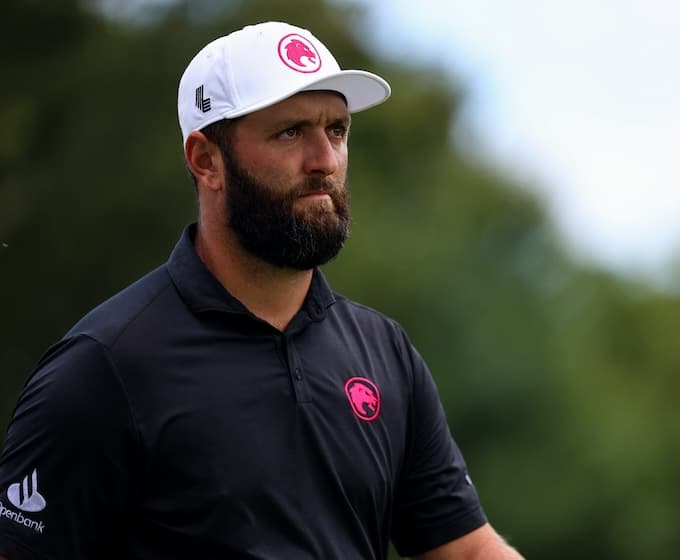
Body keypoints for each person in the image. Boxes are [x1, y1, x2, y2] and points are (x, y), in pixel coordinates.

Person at [0, 21, 524, 559]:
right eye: (290, 132)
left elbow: (465, 551)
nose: (325, 160)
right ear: (206, 160)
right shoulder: (103, 367)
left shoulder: (384, 352)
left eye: (337, 130)